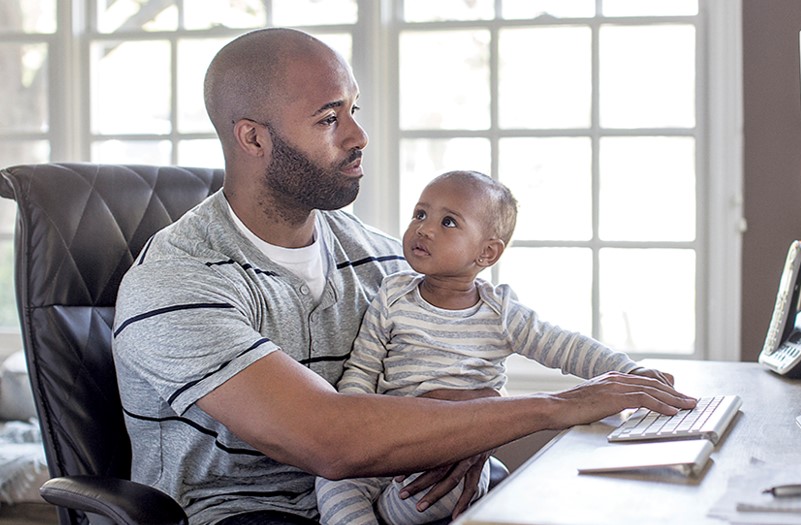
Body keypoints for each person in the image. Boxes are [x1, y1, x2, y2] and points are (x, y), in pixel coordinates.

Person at [112, 27, 696, 525]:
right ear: (254, 137)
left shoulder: (385, 261)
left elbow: (447, 372)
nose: (358, 135)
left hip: (391, 496)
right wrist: (560, 404)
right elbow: (330, 439)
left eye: (353, 111)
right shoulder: (178, 279)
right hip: (245, 513)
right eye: (328, 118)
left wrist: (459, 425)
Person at [315, 170, 675, 525]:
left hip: (456, 452)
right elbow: (362, 370)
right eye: (420, 214)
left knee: (442, 492)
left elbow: (566, 346)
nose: (424, 228)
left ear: (487, 252)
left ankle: (388, 514)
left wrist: (631, 371)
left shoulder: (500, 312)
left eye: (449, 222)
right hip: (391, 441)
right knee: (331, 484)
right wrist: (356, 436)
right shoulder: (393, 295)